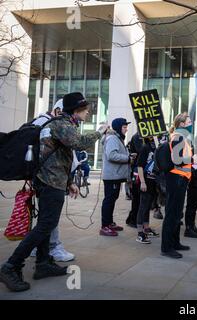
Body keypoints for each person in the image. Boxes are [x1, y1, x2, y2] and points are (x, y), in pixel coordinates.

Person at [0, 92, 108, 292]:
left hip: (51, 181)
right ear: (76, 110)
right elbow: (80, 143)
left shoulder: (63, 124)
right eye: (85, 110)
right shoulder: (61, 124)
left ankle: (42, 264)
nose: (87, 114)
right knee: (45, 225)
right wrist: (100, 131)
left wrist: (69, 182)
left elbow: (59, 158)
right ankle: (11, 266)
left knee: (46, 225)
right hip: (50, 183)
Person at [29, 99, 76, 262]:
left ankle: (41, 255)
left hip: (47, 179)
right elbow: (58, 157)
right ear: (58, 111)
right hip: (50, 180)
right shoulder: (50, 123)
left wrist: (69, 181)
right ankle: (52, 247)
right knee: (49, 220)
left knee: (46, 219)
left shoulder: (44, 122)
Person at [161, 113, 197, 259]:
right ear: (182, 124)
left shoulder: (181, 137)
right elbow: (178, 159)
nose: (191, 123)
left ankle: (175, 242)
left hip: (180, 178)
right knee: (172, 213)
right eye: (189, 121)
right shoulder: (178, 137)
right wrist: (193, 158)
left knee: (177, 213)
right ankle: (167, 247)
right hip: (176, 179)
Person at [100, 118, 135, 237]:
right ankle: (105, 226)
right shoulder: (113, 138)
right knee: (109, 200)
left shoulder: (116, 138)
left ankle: (109, 223)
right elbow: (112, 155)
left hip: (115, 175)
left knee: (112, 199)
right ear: (119, 127)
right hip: (112, 176)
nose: (126, 129)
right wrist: (128, 158)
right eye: (124, 127)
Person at [135, 137, 159, 244]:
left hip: (153, 182)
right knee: (143, 206)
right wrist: (143, 182)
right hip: (146, 181)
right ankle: (140, 233)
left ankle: (146, 228)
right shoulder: (145, 148)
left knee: (148, 206)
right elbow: (140, 166)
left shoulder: (157, 148)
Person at [126, 133, 144, 228]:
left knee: (140, 198)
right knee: (137, 197)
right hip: (137, 170)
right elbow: (141, 151)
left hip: (140, 170)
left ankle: (134, 219)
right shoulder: (137, 137)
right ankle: (133, 219)